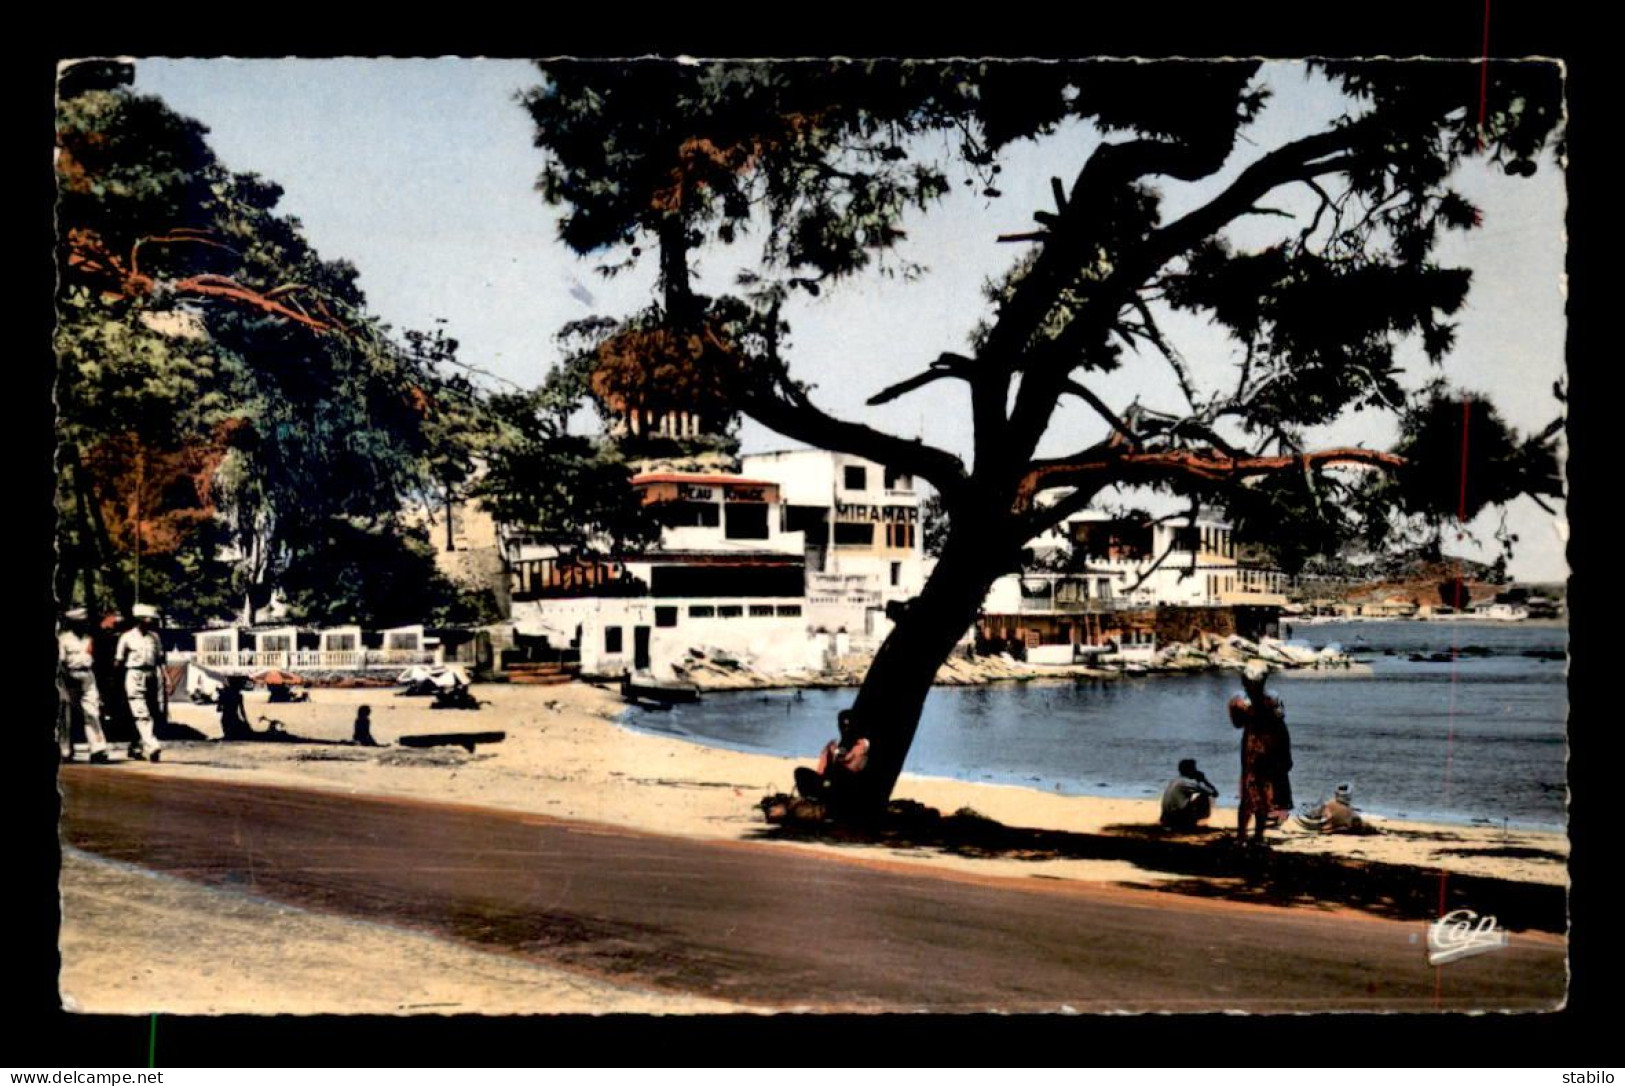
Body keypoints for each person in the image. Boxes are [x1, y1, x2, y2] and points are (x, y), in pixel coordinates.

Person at [1230, 659, 1292, 845]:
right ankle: (1250, 835)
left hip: (1258, 749)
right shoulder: (1266, 701)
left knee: (1259, 792)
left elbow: (1238, 723)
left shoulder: (1252, 701)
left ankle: (1251, 835)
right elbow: (1279, 726)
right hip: (1259, 749)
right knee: (1256, 792)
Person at [114, 603, 166, 762]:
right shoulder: (127, 637)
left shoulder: (154, 637)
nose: (151, 621)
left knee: (148, 711)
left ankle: (135, 746)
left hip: (151, 674)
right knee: (140, 711)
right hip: (134, 673)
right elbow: (118, 661)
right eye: (147, 618)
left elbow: (160, 659)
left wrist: (166, 678)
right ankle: (152, 745)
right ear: (139, 620)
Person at [58, 607, 110, 763]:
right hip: (68, 676)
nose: (84, 624)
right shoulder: (63, 639)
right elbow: (60, 662)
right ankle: (65, 749)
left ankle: (98, 748)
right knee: (65, 715)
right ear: (73, 624)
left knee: (92, 712)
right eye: (81, 622)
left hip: (87, 675)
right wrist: (63, 680)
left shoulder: (89, 639)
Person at [793, 709, 871, 812]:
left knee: (838, 771)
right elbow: (821, 770)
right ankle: (811, 801)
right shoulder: (833, 745)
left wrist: (839, 759)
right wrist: (829, 755)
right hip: (829, 783)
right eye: (843, 726)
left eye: (848, 726)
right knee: (800, 772)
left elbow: (855, 768)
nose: (845, 729)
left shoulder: (861, 745)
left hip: (849, 787)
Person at [1160, 758, 1219, 830]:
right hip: (1176, 819)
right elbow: (1214, 793)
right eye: (1194, 769)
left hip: (1166, 818)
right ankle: (1189, 824)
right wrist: (1204, 780)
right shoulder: (1187, 783)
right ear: (1190, 770)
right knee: (1204, 796)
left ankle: (1186, 822)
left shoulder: (1175, 781)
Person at [1298, 783, 1368, 833]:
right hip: (1349, 821)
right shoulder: (1343, 806)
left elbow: (1329, 817)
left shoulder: (1330, 804)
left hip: (1346, 821)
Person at [216, 675, 254, 740]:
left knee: (229, 736)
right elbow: (242, 711)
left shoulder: (223, 694)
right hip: (235, 719)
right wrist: (246, 722)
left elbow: (218, 709)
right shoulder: (239, 695)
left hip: (225, 720)